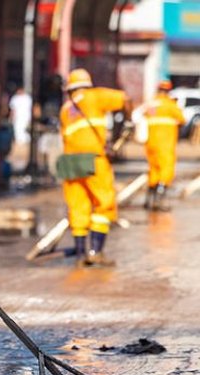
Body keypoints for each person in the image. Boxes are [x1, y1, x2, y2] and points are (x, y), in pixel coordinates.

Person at [57, 68, 129, 267]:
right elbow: (125, 99)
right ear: (87, 84)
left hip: (69, 162)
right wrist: (125, 125)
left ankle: (80, 255)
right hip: (93, 160)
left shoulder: (65, 109)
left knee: (78, 206)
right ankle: (95, 252)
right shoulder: (95, 96)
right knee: (104, 203)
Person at [143, 79, 185, 211]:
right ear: (168, 91)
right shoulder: (170, 104)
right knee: (166, 170)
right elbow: (182, 119)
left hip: (150, 144)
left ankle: (149, 200)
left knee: (154, 170)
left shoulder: (151, 104)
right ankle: (159, 201)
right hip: (165, 143)